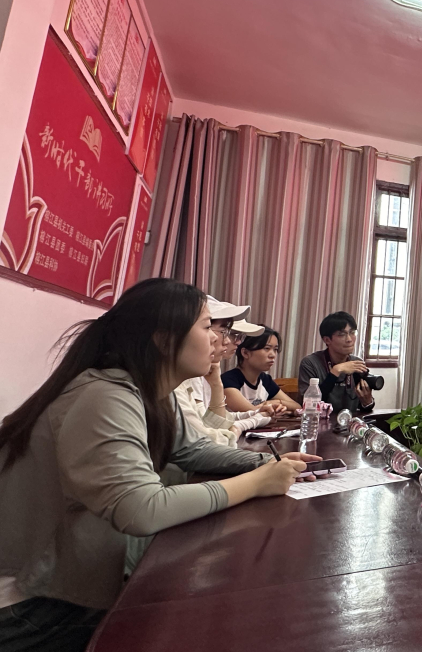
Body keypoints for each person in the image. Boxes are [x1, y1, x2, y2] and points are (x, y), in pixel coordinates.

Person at [0, 279, 318, 651]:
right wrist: (256, 483)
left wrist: (269, 462)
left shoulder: (150, 391)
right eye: (207, 327)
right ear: (164, 340)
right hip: (28, 603)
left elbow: (194, 451)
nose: (218, 341)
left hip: (68, 584)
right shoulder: (105, 394)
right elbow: (141, 509)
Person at [174, 298, 282, 447]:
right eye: (228, 332)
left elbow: (212, 423)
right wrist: (250, 421)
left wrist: (255, 414)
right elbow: (210, 441)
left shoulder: (204, 373)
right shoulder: (185, 378)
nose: (235, 342)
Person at [297, 311, 374, 415]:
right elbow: (309, 406)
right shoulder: (310, 363)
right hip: (320, 422)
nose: (349, 339)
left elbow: (364, 408)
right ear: (327, 340)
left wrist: (368, 401)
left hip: (349, 421)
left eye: (352, 332)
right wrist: (336, 371)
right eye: (342, 334)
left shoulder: (357, 363)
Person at [221, 328, 300, 412]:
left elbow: (298, 407)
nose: (273, 355)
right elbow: (251, 413)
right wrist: (271, 407)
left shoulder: (265, 380)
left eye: (275, 349)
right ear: (245, 353)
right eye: (266, 348)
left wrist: (276, 402)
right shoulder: (228, 381)